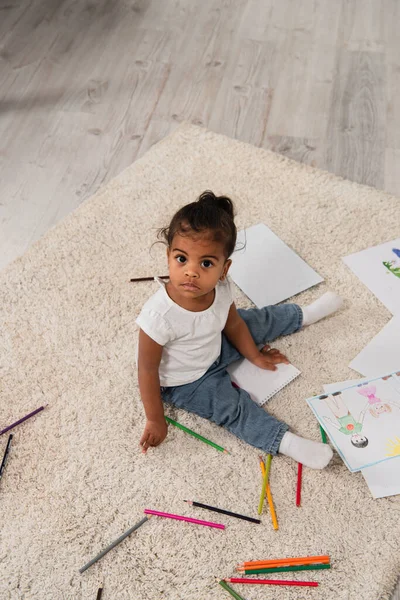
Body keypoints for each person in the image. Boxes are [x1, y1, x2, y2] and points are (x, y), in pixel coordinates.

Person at [136, 191, 343, 468]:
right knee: (232, 407)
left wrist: (254, 356)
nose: (192, 272)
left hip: (215, 342)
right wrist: (155, 418)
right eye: (182, 259)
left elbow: (233, 323)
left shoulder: (220, 288)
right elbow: (146, 370)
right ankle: (287, 442)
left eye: (206, 263)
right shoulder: (158, 315)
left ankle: (305, 314)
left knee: (256, 319)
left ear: (224, 268)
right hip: (186, 381)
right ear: (168, 256)